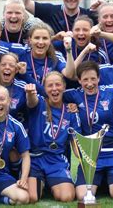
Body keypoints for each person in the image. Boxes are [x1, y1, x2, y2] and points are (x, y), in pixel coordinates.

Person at [64, 61, 113, 200]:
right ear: (79, 80)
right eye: (85, 79)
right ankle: (103, 182)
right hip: (90, 153)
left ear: (99, 78)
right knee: (82, 196)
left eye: (93, 78)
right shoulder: (73, 95)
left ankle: (109, 182)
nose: (90, 83)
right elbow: (51, 93)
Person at [25, 72, 80, 203]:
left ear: (64, 87)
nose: (54, 89)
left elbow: (76, 140)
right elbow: (31, 102)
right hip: (35, 159)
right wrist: (30, 93)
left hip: (57, 160)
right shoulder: (39, 104)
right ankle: (43, 184)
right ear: (44, 88)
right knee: (32, 198)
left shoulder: (70, 111)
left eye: (58, 85)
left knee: (67, 197)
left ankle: (51, 184)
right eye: (50, 85)